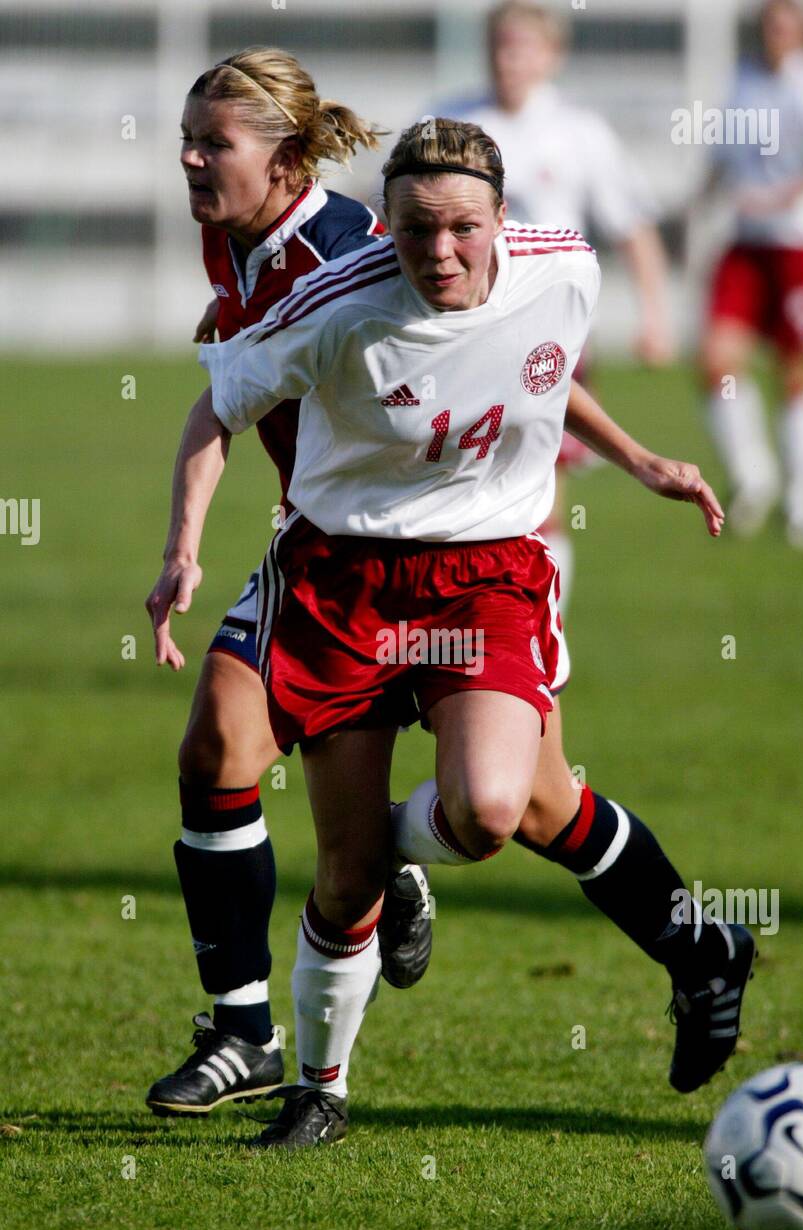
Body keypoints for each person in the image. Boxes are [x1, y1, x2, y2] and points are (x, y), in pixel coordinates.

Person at [152, 118, 755, 1151]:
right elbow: (218, 407)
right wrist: (183, 551)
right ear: (380, 228)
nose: (440, 253)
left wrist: (643, 459)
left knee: (488, 806)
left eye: (463, 229)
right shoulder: (333, 306)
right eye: (416, 230)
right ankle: (318, 1090)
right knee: (383, 859)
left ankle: (684, 945)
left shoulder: (562, 266)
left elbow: (537, 363)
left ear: (502, 221)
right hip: (343, 581)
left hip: (483, 580)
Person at [143, 47, 437, 1119]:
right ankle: (240, 1032)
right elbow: (232, 390)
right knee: (217, 747)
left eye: (213, 142)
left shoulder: (354, 251)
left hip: (422, 564)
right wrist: (183, 549)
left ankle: (391, 863)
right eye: (188, 137)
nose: (189, 157)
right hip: (313, 548)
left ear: (286, 157)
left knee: (515, 807)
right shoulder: (238, 240)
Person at [437, 0, 676, 603]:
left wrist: (656, 316)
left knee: (540, 479)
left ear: (550, 55)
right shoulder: (449, 123)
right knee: (454, 469)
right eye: (498, 44)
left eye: (521, 46)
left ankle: (543, 632)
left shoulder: (579, 133)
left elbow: (633, 228)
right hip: (457, 330)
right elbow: (392, 214)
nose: (507, 58)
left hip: (547, 332)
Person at [700, 0, 803, 547]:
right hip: (747, 243)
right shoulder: (742, 79)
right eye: (768, 22)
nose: (775, 32)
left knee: (796, 370)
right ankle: (753, 476)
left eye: (785, 22)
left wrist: (774, 198)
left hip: (802, 242)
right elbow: (723, 161)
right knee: (716, 360)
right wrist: (696, 204)